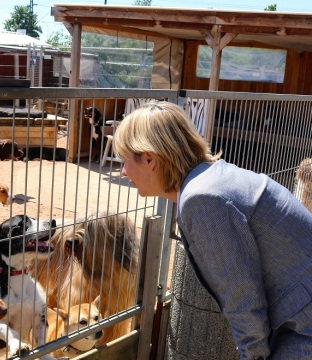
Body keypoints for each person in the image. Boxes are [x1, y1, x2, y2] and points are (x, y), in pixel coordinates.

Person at [113, 100, 312, 360]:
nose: (123, 171)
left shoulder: (203, 199)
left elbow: (243, 300)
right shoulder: (209, 178)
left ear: (150, 158)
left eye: (125, 160)